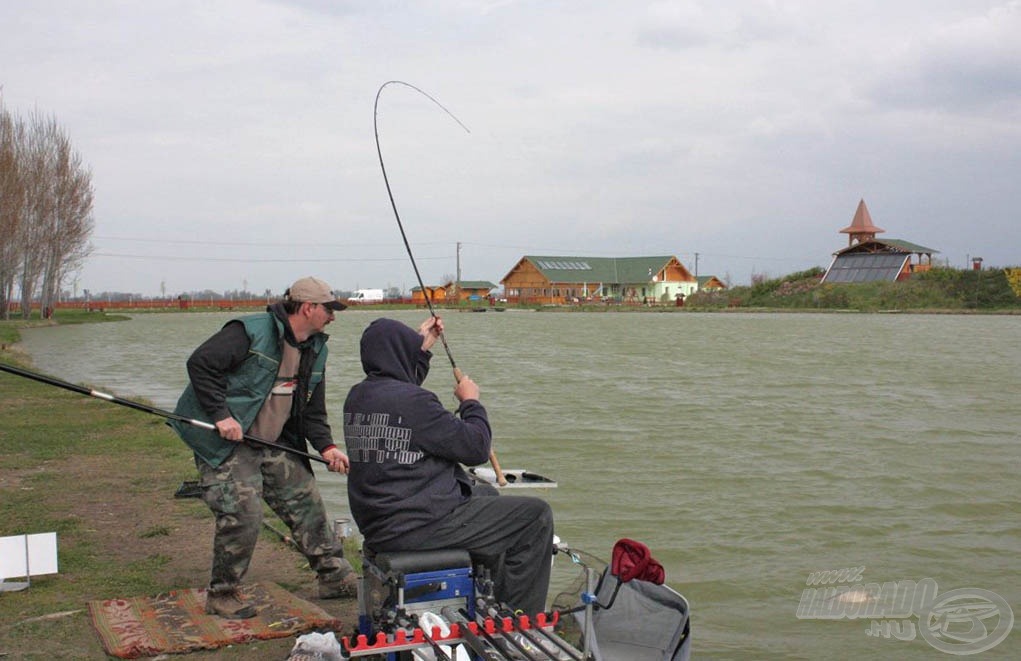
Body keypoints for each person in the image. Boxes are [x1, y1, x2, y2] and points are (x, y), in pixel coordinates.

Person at [170, 276, 357, 619]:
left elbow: (312, 410)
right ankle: (223, 594)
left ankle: (335, 577)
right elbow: (201, 363)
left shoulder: (316, 348)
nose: (333, 317)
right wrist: (221, 416)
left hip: (272, 441)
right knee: (243, 511)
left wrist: (327, 447)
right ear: (308, 308)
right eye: (329, 309)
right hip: (225, 441)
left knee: (306, 500)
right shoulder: (248, 331)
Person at [343, 316, 554, 615]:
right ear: (399, 353)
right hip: (418, 524)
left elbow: (402, 387)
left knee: (486, 496)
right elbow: (476, 447)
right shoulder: (415, 402)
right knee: (535, 517)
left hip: (381, 522)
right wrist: (471, 402)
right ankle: (517, 622)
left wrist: (422, 347)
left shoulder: (358, 397)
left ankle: (481, 598)